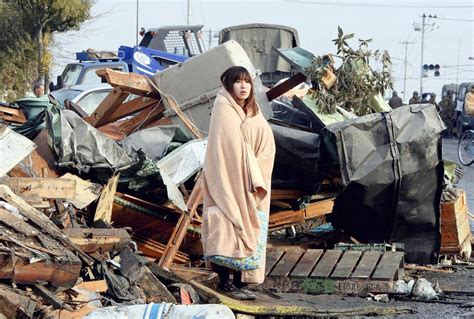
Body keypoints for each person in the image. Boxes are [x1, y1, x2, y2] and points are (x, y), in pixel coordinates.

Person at [201, 66, 275, 300]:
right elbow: (230, 149)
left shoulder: (251, 109)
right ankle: (226, 282)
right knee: (227, 225)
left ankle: (240, 281)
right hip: (228, 177)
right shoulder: (224, 108)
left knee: (245, 228)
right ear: (228, 85)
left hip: (251, 179)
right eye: (238, 82)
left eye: (247, 82)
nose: (244, 86)